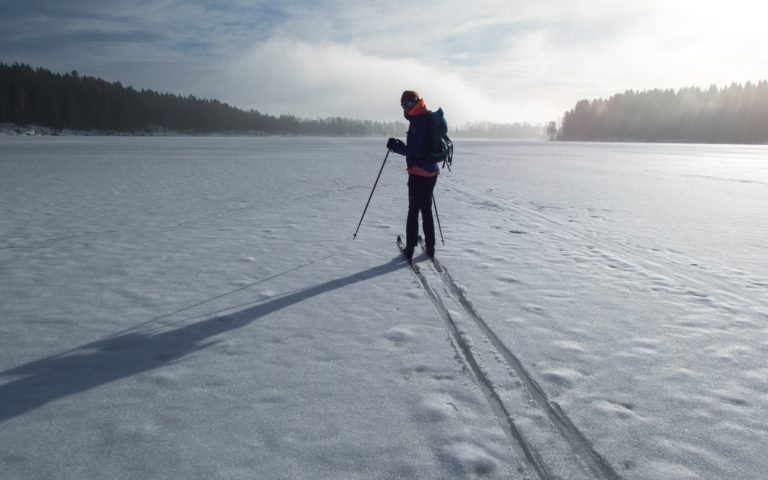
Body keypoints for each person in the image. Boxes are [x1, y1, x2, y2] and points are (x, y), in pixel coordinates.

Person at [387, 90, 439, 260]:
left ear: (415, 103)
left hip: (419, 173)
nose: (405, 108)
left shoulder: (418, 121)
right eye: (403, 105)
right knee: (426, 209)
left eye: (407, 104)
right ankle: (430, 246)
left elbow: (413, 149)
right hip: (432, 172)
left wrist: (395, 146)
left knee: (413, 211)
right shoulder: (426, 116)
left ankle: (410, 249)